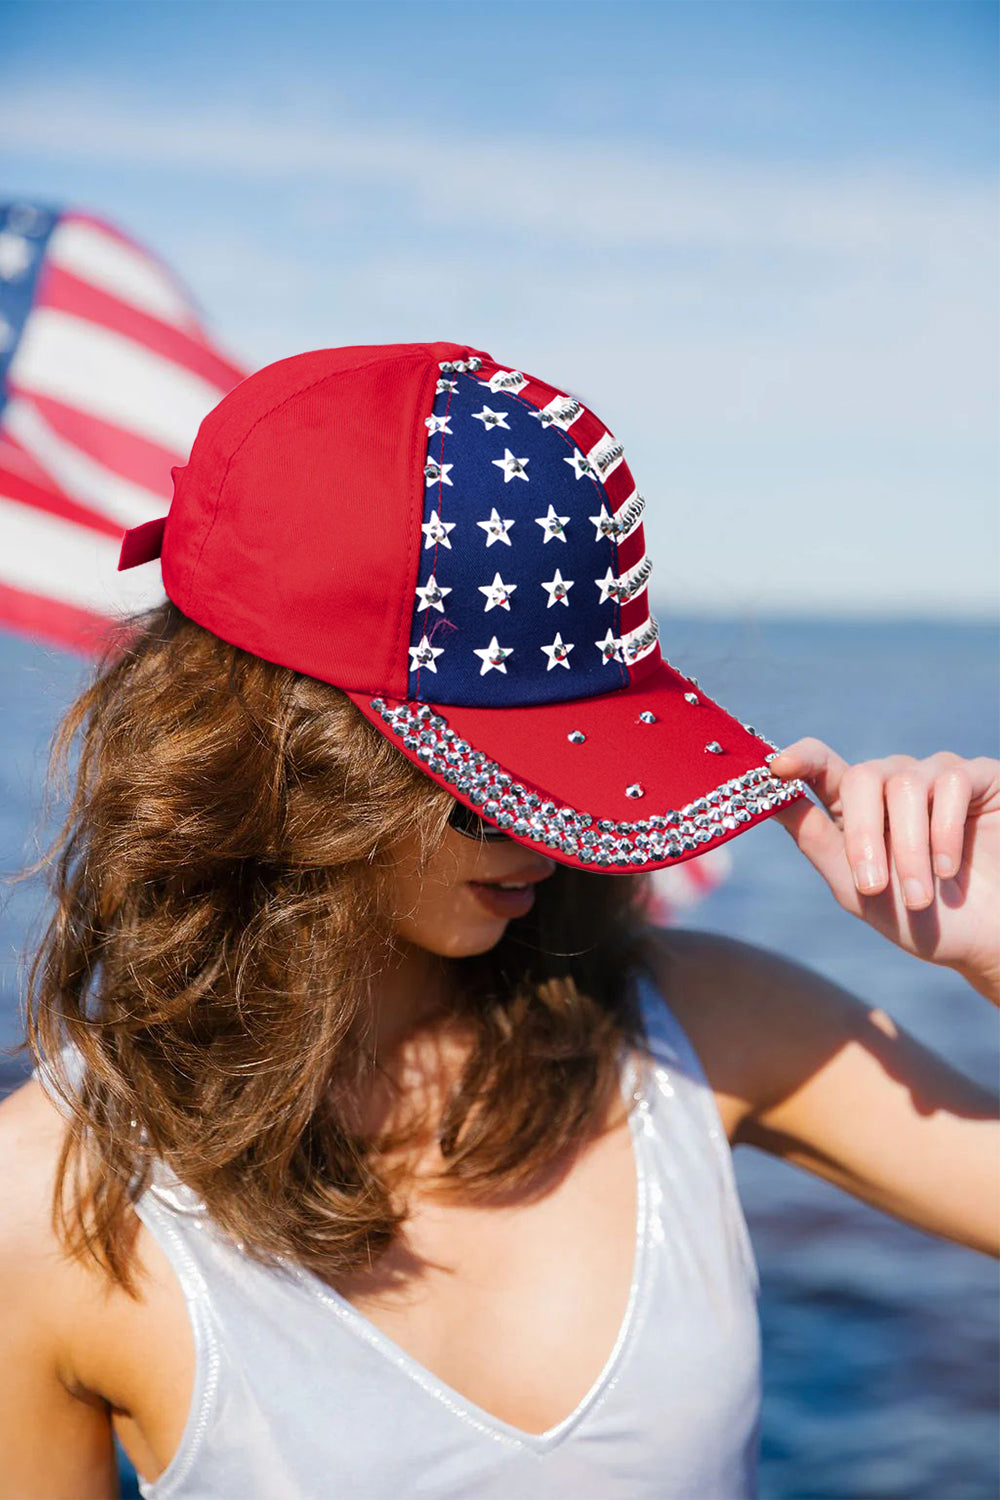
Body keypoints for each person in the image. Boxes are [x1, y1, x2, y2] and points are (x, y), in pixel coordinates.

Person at [0, 342, 996, 1500]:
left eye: (578, 778)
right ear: (279, 762)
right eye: (485, 791)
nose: (548, 837)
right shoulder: (51, 1201)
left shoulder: (701, 1025)